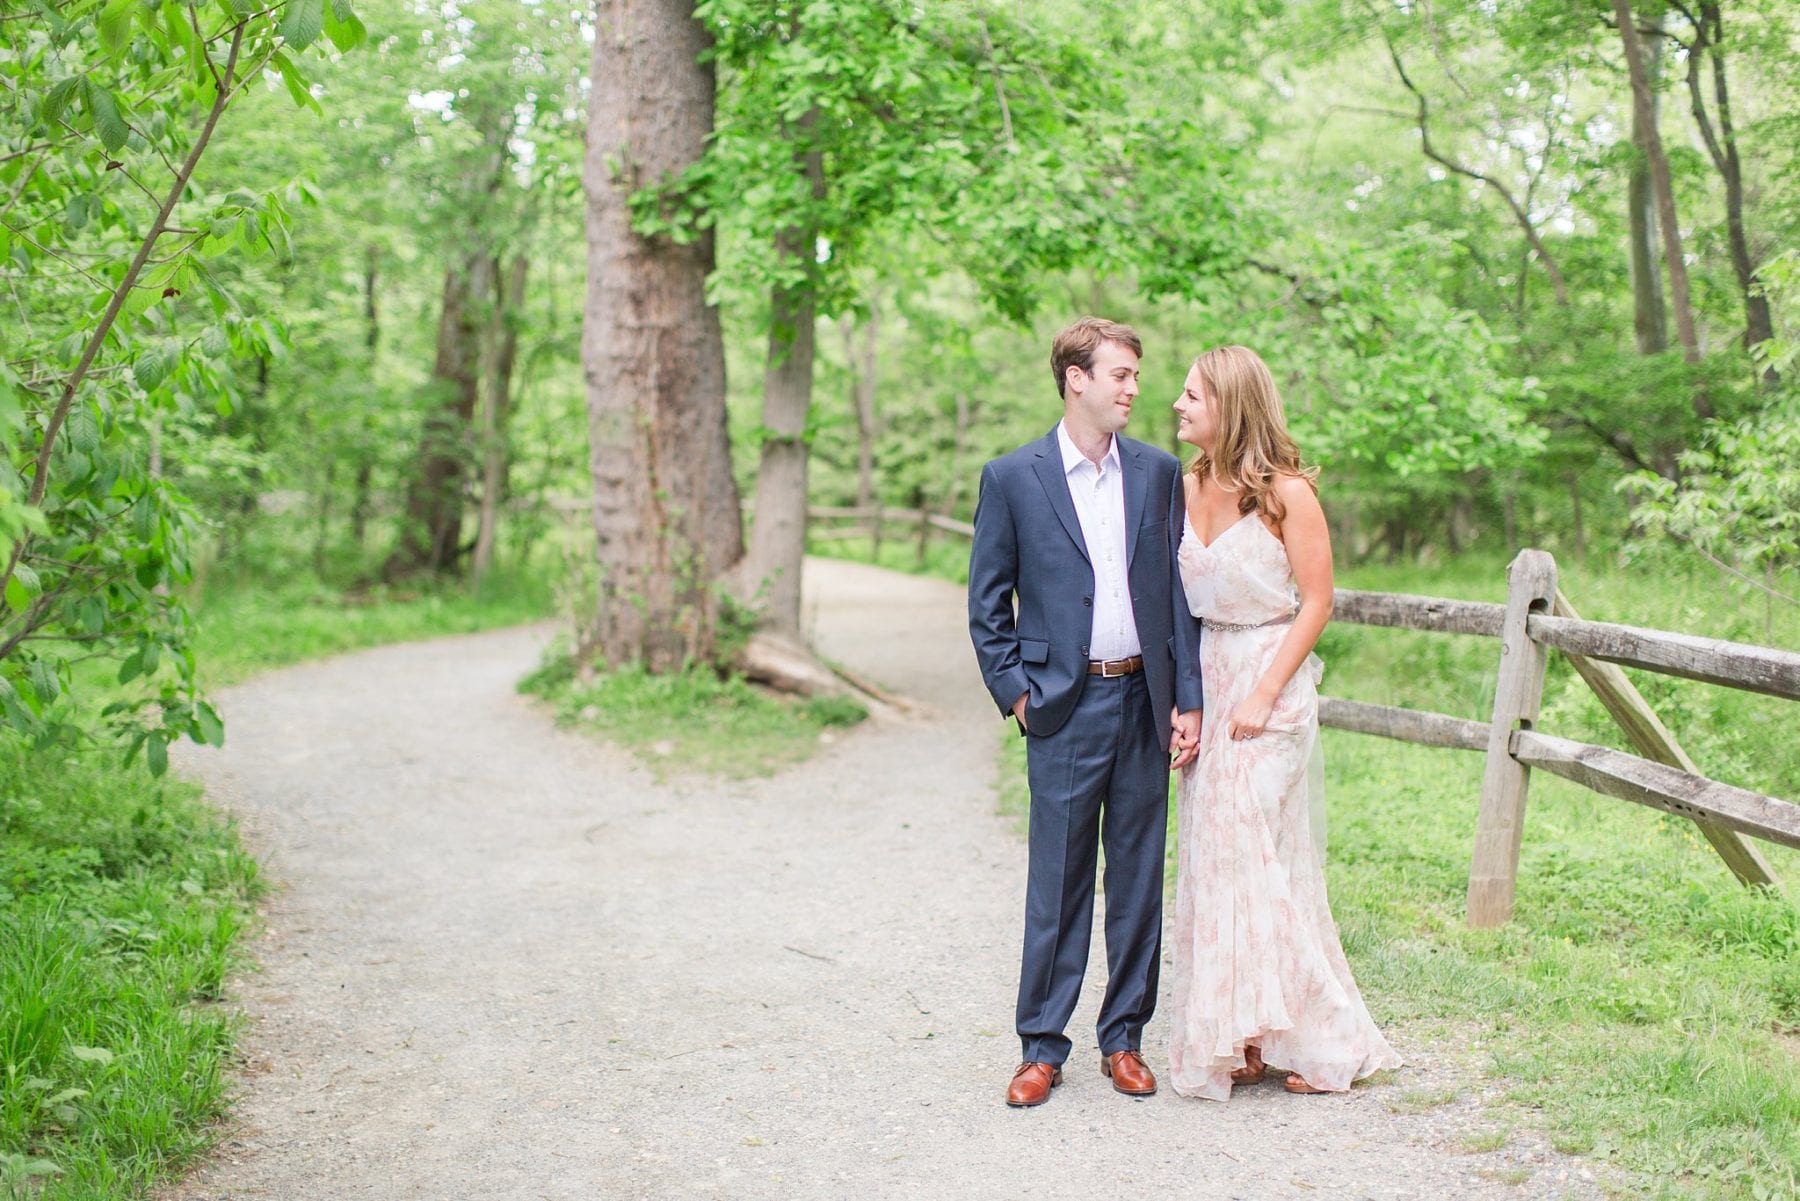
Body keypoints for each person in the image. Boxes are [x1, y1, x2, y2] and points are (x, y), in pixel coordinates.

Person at [968, 316, 1204, 1108]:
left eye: (1135, 375)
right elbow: (986, 603)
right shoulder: (1012, 477)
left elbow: (1177, 597)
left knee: (1137, 876)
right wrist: (1020, 695)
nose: (1134, 389)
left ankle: (1125, 1038)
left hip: (1144, 699)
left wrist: (1188, 700)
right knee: (1060, 879)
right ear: (1076, 378)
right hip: (1062, 707)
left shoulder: (1160, 473)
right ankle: (1041, 1045)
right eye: (1121, 375)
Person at [1166, 344, 1401, 1101]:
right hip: (1209, 675)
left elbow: (1318, 600)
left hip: (1271, 681)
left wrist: (1265, 693)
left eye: (1193, 394)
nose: (1177, 403)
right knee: (1213, 860)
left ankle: (1328, 1034)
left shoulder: (1288, 493)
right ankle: (1242, 1036)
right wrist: (1186, 699)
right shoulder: (1187, 483)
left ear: (1230, 405)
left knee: (1255, 858)